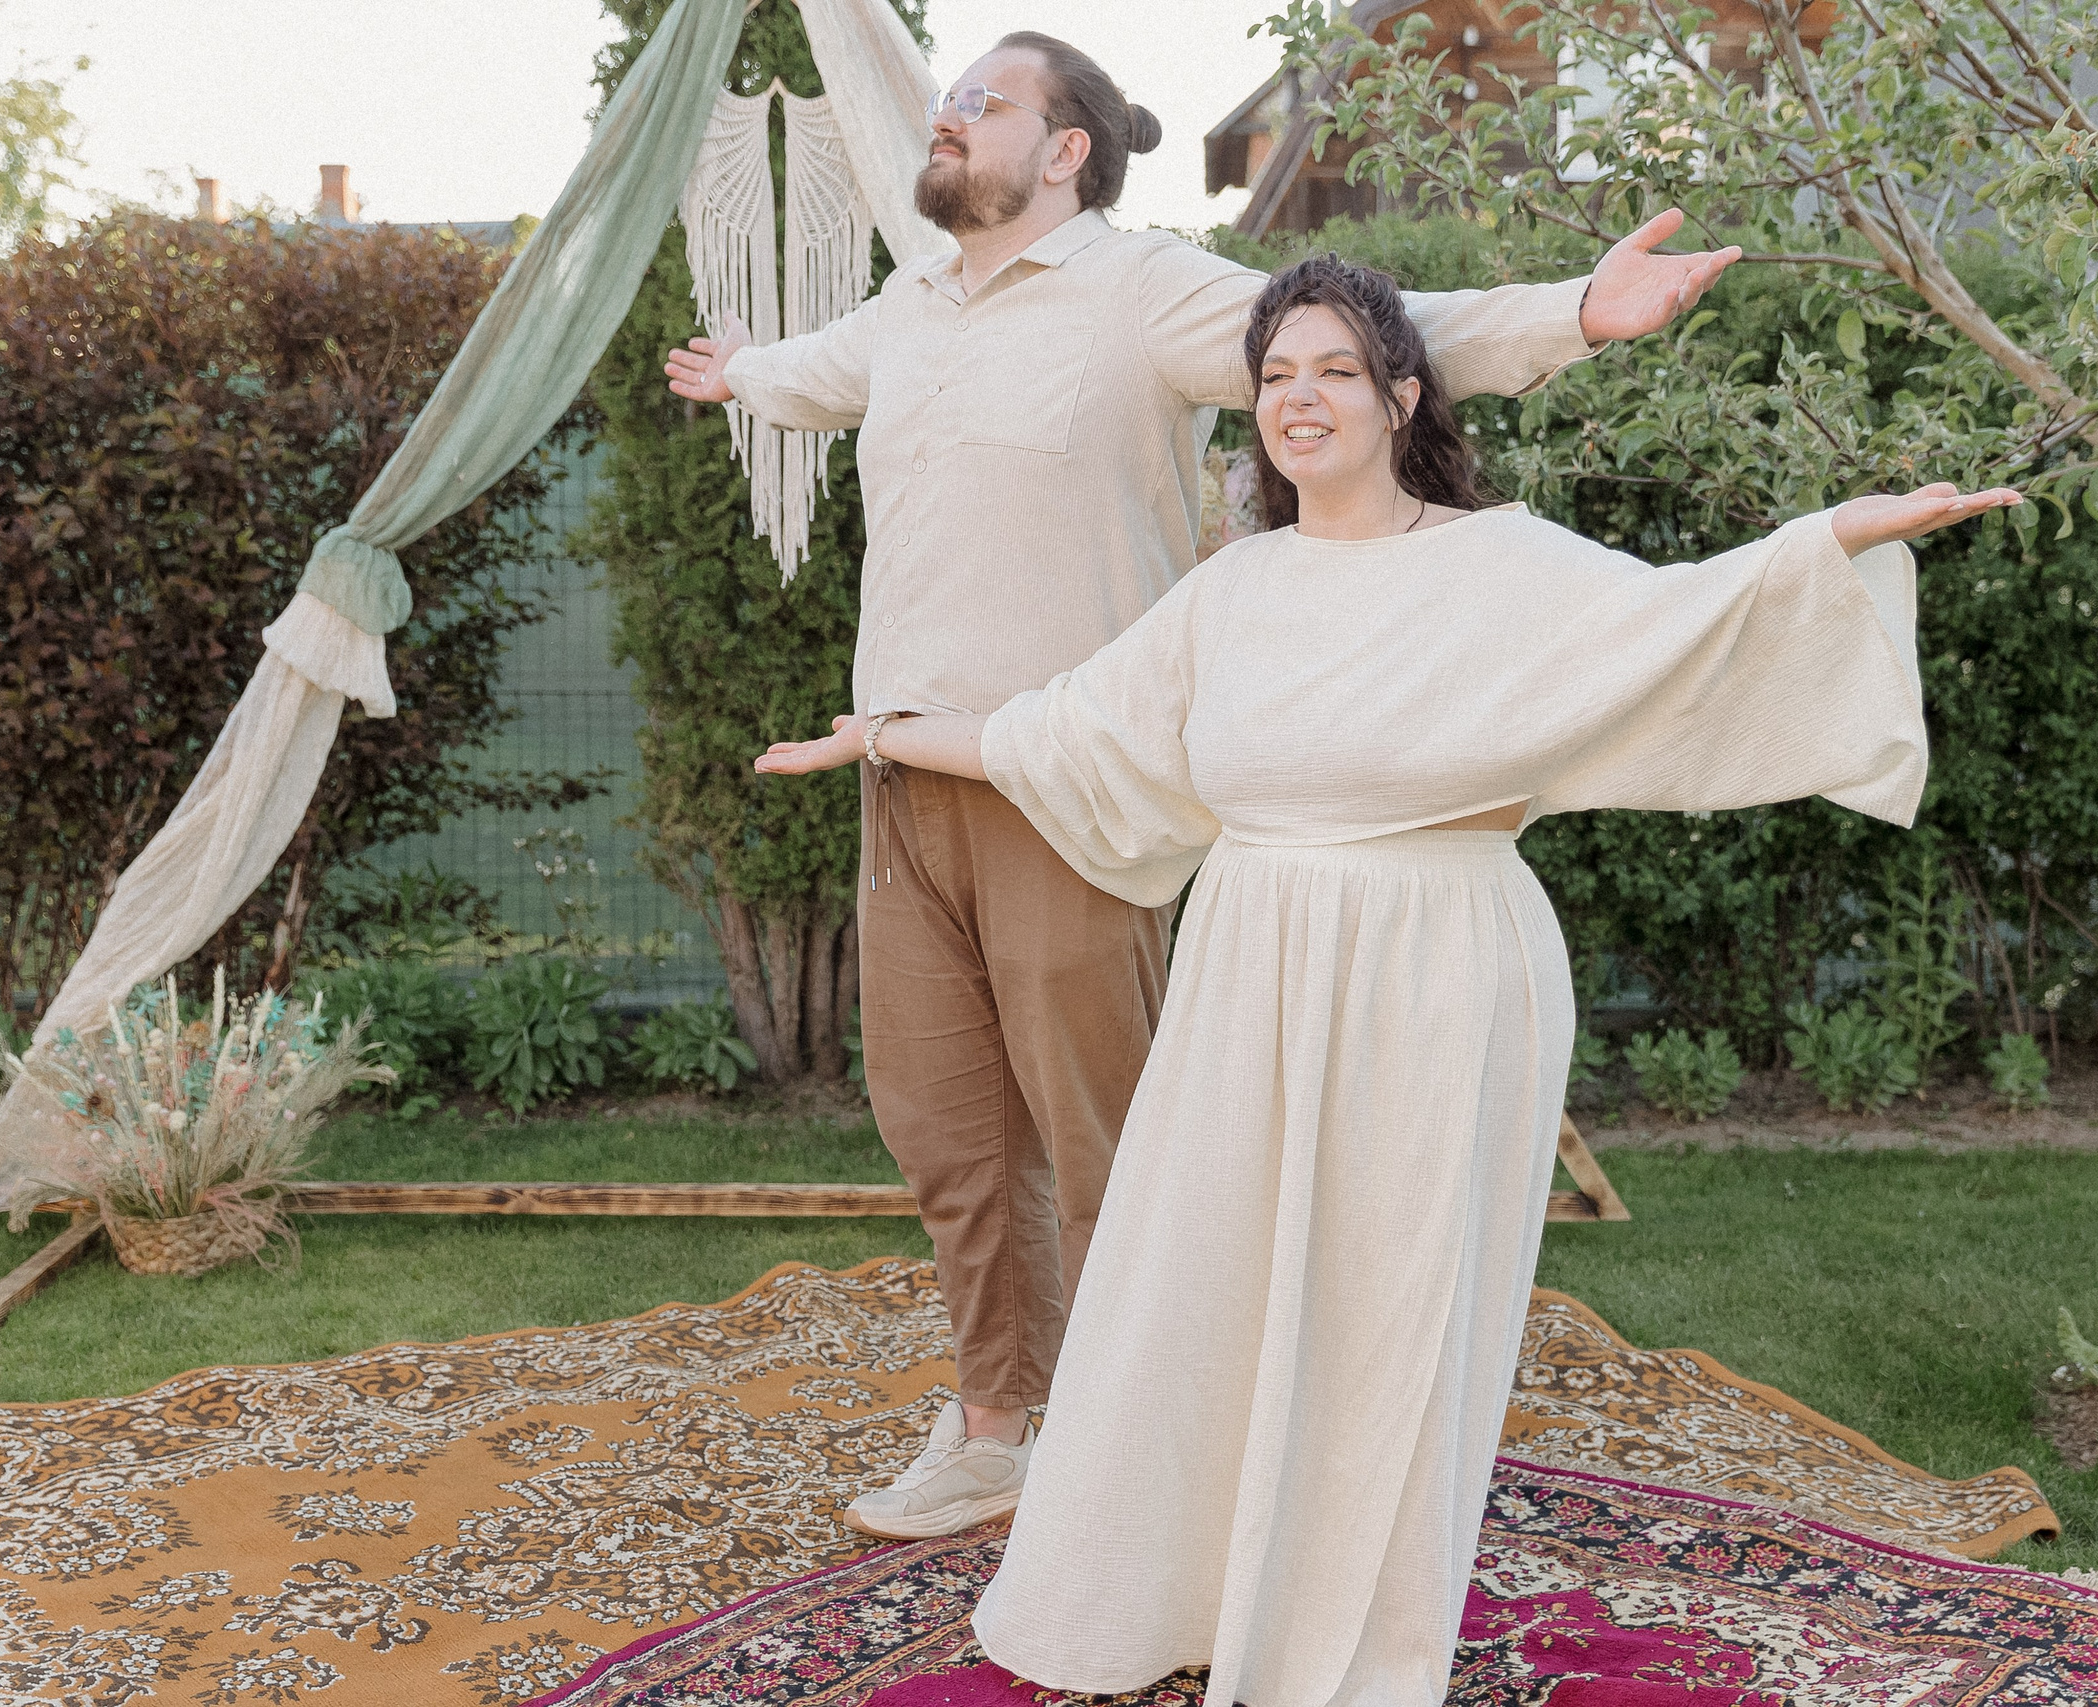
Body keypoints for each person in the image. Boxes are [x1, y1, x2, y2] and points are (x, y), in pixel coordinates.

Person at [754, 253, 2018, 1705]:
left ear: (1402, 396)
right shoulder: (1233, 591)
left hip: (1435, 970)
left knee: (1384, 1313)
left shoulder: (1503, 565)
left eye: (1334, 371)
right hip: (1248, 974)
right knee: (1204, 1285)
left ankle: (1344, 1634)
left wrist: (1841, 535)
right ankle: (1182, 1588)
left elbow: (1688, 621)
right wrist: (883, 735)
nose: (1300, 399)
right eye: (1275, 376)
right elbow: (1066, 734)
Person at [668, 30, 1743, 1538]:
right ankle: (996, 1430)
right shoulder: (910, 305)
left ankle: (1147, 1457)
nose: (945, 115)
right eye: (947, 97)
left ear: (1066, 151)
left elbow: (1371, 334)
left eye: (981, 101)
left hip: (1073, 790)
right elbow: (812, 377)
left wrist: (1574, 312)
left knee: (1109, 1140)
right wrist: (740, 374)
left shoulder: (1142, 292)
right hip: (901, 783)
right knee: (946, 1136)